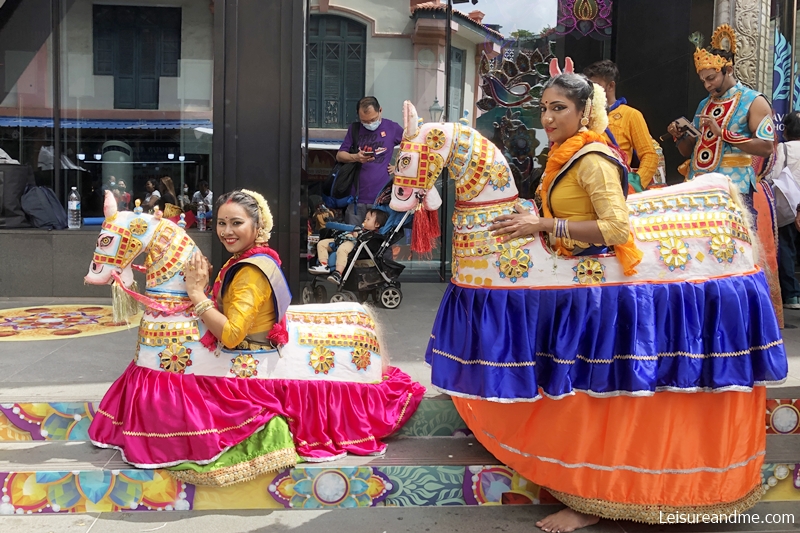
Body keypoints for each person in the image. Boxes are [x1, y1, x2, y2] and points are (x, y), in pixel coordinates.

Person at [450, 65, 779, 532]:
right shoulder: (565, 154)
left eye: (558, 108)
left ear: (585, 111)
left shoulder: (592, 159)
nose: (547, 118)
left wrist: (542, 226)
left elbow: (615, 229)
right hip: (578, 287)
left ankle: (604, 498)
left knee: (605, 399)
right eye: (543, 108)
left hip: (610, 297)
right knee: (583, 397)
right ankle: (583, 487)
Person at [668, 24, 774, 215]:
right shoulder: (704, 104)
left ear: (729, 70)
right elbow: (688, 151)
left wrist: (723, 134)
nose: (707, 85)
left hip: (734, 187)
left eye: (711, 78)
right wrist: (680, 136)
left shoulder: (754, 101)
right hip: (698, 185)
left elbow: (767, 147)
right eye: (703, 81)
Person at [583, 59, 660, 192]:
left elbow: (649, 155)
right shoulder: (584, 115)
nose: (591, 91)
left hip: (617, 185)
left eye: (596, 86)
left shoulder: (631, 114)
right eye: (589, 86)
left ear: (611, 86)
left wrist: (633, 185)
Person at [336, 96, 403, 225]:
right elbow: (340, 155)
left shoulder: (392, 128)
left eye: (373, 119)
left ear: (380, 110)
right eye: (364, 121)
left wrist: (399, 167)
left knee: (379, 240)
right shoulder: (354, 129)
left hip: (381, 200)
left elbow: (412, 147)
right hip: (356, 199)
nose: (369, 124)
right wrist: (356, 157)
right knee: (353, 239)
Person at [769, 111, 800, 309]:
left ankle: (792, 296)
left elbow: (773, 174)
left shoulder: (783, 149)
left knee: (786, 248)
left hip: (789, 205)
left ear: (786, 130)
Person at [309, 208, 388, 284]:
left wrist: (357, 235)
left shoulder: (372, 235)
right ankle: (323, 265)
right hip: (341, 240)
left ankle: (338, 273)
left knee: (342, 249)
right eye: (365, 219)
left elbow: (365, 241)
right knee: (322, 243)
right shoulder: (360, 228)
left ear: (377, 224)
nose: (365, 221)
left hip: (353, 244)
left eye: (368, 219)